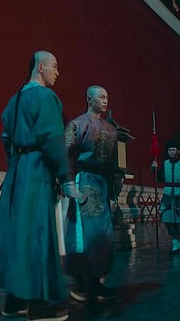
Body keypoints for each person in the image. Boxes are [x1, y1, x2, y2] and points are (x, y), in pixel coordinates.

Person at [0, 51, 74, 321]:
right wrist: (64, 176)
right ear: (41, 67)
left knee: (19, 232)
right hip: (38, 168)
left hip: (18, 169)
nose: (57, 72)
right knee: (39, 233)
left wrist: (16, 164)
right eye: (55, 66)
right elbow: (53, 138)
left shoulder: (14, 100)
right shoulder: (46, 97)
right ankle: (40, 305)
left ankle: (14, 301)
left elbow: (6, 136)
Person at [64, 85, 122, 302]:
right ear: (89, 99)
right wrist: (68, 182)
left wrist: (113, 193)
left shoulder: (111, 130)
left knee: (103, 235)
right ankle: (80, 283)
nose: (105, 101)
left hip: (103, 183)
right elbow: (66, 155)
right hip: (84, 181)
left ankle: (96, 282)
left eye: (107, 97)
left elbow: (113, 165)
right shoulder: (77, 125)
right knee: (84, 235)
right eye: (101, 97)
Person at [152, 139, 180, 253]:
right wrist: (154, 169)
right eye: (169, 150)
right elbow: (160, 178)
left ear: (178, 151)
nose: (171, 152)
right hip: (168, 196)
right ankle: (175, 244)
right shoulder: (165, 163)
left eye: (173, 150)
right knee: (170, 222)